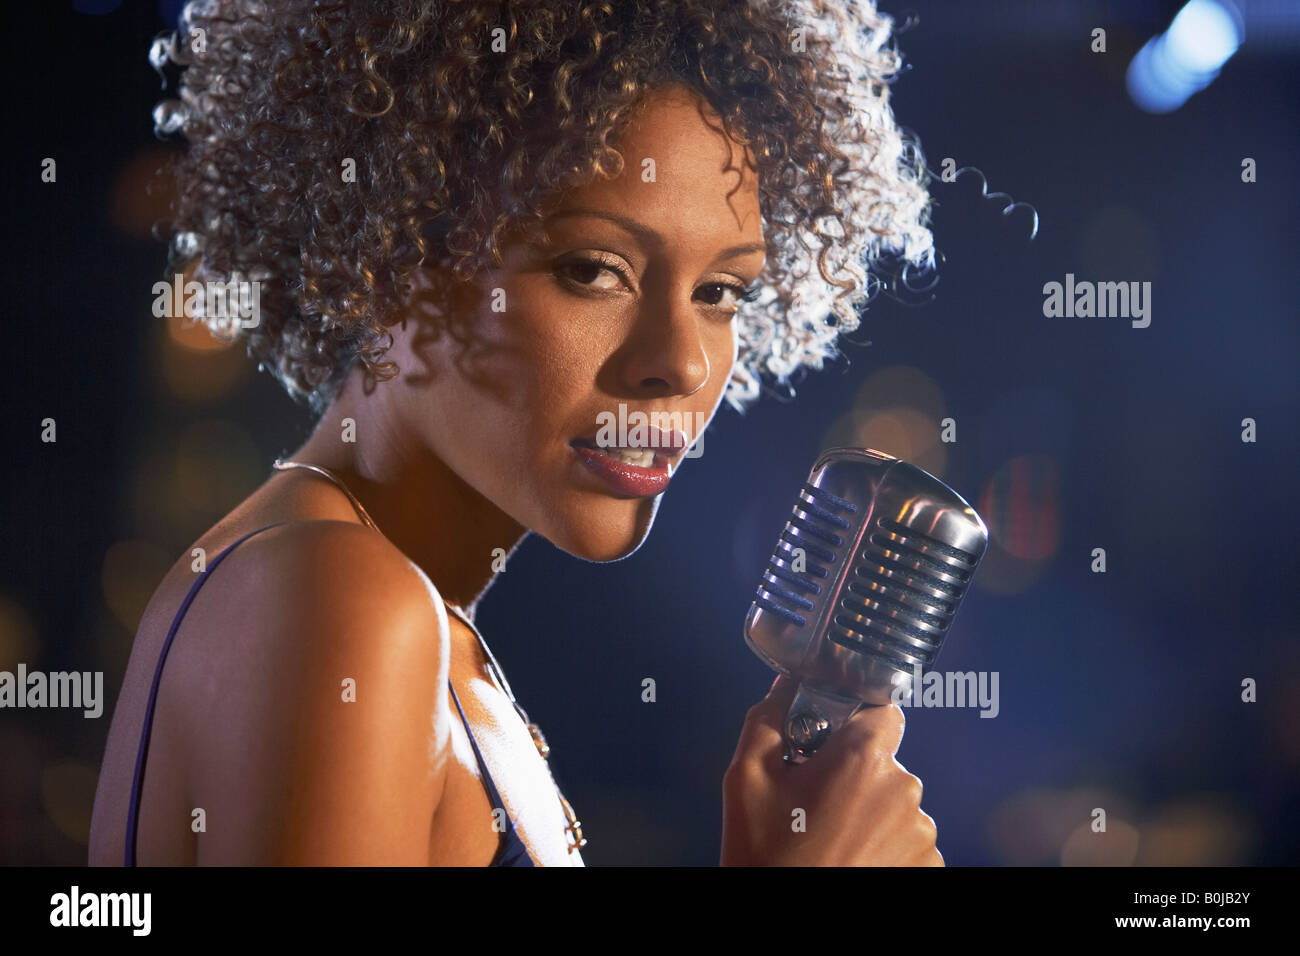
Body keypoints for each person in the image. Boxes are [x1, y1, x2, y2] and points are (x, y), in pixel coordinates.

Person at [90, 0, 941, 866]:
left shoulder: (399, 611)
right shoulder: (341, 599)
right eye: (593, 269)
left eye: (720, 292)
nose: (681, 364)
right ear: (389, 255)